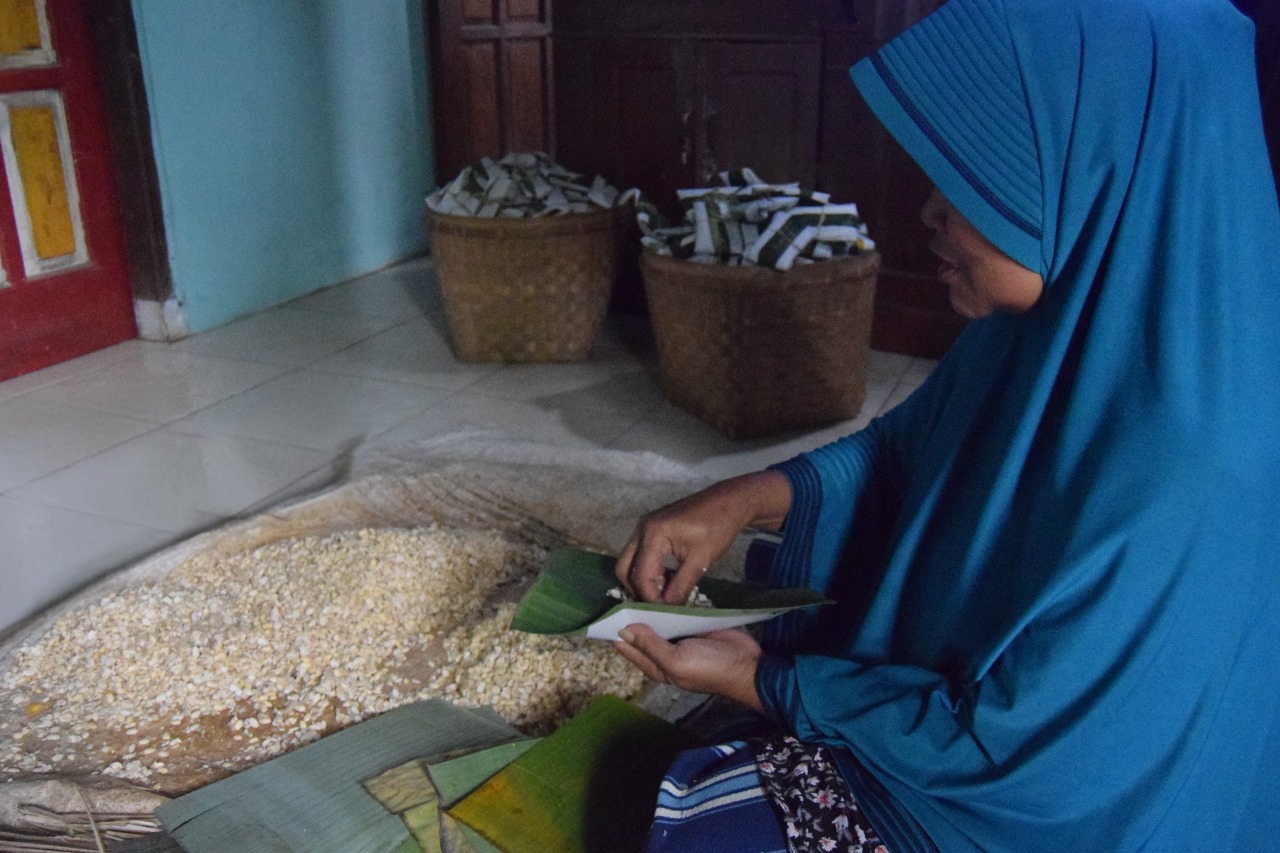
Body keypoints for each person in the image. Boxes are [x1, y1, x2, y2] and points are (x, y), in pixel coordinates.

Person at [612, 0, 1280, 849]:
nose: (928, 210)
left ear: (1096, 174)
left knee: (696, 817)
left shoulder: (1192, 465)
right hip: (996, 740)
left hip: (1052, 808)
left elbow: (1039, 764)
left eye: (973, 184)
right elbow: (910, 453)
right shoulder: (1044, 330)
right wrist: (746, 497)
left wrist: (770, 681)